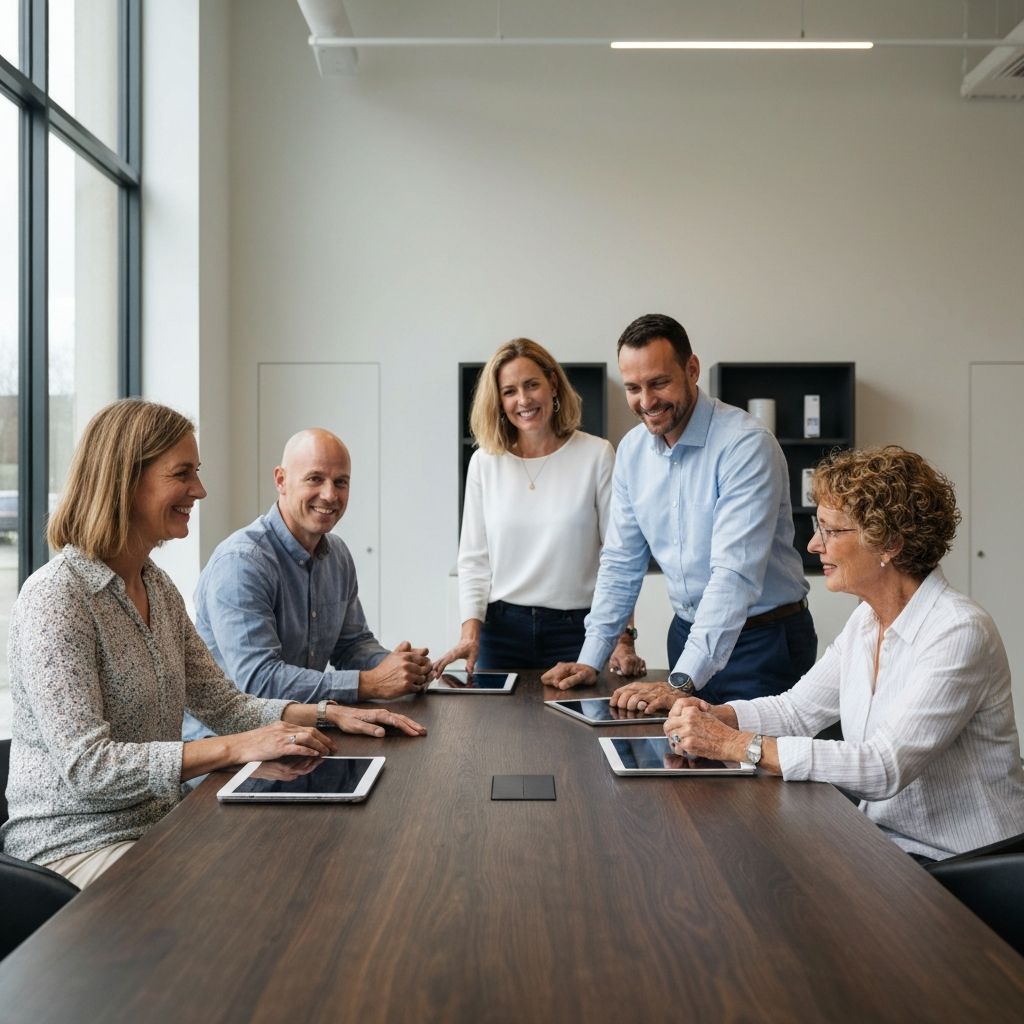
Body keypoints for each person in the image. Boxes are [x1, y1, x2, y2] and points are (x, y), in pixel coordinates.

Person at [1, 400, 425, 889]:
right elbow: (88, 766)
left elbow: (223, 703)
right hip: (75, 846)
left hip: (159, 823)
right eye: (183, 474)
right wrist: (238, 747)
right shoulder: (57, 597)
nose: (199, 490)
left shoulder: (156, 587)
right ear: (125, 480)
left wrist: (328, 713)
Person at [663, 446, 1024, 862]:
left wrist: (736, 744)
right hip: (886, 845)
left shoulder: (958, 631)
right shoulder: (866, 622)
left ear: (888, 543)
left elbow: (884, 767)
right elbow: (797, 711)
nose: (815, 544)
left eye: (832, 531)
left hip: (963, 865)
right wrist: (716, 716)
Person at [542, 313, 816, 705]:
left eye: (659, 383)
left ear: (692, 369)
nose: (647, 401)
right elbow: (621, 561)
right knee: (684, 762)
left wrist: (681, 681)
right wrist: (592, 658)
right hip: (687, 634)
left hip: (763, 642)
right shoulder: (633, 451)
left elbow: (734, 576)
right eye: (633, 387)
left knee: (754, 764)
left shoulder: (745, 445)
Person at [185, 428, 431, 740]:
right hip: (227, 747)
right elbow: (259, 682)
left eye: (341, 482)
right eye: (315, 478)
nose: (330, 495)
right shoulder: (241, 562)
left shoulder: (337, 553)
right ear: (280, 480)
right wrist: (370, 683)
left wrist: (401, 668)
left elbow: (351, 644)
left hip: (301, 731)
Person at [432, 338, 644, 675]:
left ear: (553, 385)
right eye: (510, 391)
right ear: (499, 401)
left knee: (576, 727)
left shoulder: (597, 455)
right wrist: (469, 633)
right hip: (500, 632)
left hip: (580, 631)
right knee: (494, 729)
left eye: (532, 385)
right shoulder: (485, 463)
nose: (523, 399)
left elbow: (619, 556)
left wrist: (623, 639)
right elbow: (474, 561)